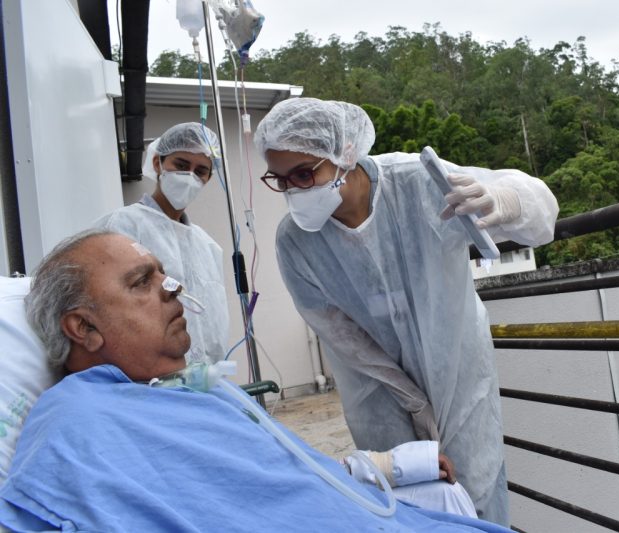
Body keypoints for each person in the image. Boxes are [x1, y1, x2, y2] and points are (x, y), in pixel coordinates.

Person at [0, 230, 509, 532]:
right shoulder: (77, 420)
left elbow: (272, 472)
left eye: (163, 273)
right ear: (83, 327)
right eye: (142, 282)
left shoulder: (197, 395)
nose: (173, 288)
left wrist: (388, 465)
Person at [254, 97, 559, 526]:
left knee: (478, 491)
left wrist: (502, 201)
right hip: (377, 390)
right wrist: (412, 418)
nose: (294, 192)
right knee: (408, 506)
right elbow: (345, 340)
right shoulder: (294, 243)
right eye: (281, 181)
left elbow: (542, 212)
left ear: (344, 153)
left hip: (458, 371)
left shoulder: (417, 181)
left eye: (305, 174)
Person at [92, 122, 228, 363]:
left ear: (207, 178)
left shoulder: (208, 247)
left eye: (200, 171)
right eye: (181, 165)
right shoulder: (122, 226)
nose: (190, 177)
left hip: (204, 378)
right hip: (146, 375)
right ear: (158, 163)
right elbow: (106, 306)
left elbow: (213, 322)